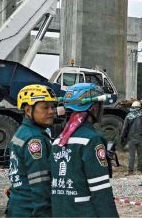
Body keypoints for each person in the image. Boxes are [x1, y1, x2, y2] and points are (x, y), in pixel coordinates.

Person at [51, 83, 119, 217]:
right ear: (94, 108)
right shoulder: (92, 140)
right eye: (101, 106)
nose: (102, 110)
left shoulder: (57, 141)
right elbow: (100, 191)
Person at [6, 84, 58, 217]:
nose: (51, 111)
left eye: (53, 107)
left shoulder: (23, 132)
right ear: (28, 110)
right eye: (45, 107)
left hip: (18, 207)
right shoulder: (35, 139)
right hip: (30, 211)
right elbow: (40, 183)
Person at [120, 100, 142, 175]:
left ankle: (130, 171)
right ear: (139, 108)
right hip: (140, 138)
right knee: (140, 155)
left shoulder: (128, 116)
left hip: (131, 138)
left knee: (131, 155)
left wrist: (122, 137)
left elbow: (124, 128)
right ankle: (139, 170)